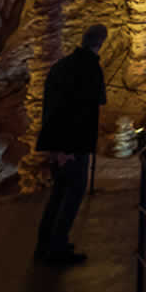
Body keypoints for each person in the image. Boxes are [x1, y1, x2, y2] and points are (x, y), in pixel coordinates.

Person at [35, 24, 108, 266]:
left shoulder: (61, 66)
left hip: (57, 143)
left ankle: (45, 244)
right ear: (100, 43)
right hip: (74, 145)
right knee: (72, 196)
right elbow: (92, 104)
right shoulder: (90, 70)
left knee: (58, 194)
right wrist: (65, 149)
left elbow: (50, 107)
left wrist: (54, 148)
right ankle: (56, 250)